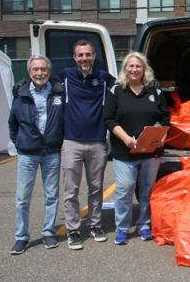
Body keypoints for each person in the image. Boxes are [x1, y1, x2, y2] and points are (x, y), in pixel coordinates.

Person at [104, 52, 170, 245]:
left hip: (151, 152)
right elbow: (109, 119)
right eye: (130, 66)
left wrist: (162, 138)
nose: (134, 70)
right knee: (124, 189)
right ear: (125, 69)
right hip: (124, 152)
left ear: (144, 69)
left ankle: (144, 225)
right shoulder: (116, 91)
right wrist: (125, 138)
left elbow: (165, 118)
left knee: (147, 190)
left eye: (138, 66)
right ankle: (122, 228)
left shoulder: (154, 92)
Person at [55, 40, 116, 250]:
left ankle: (95, 225)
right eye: (80, 55)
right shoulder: (64, 76)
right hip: (71, 142)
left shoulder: (105, 79)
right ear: (74, 58)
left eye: (88, 55)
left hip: (98, 142)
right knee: (71, 189)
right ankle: (73, 230)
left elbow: (129, 86)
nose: (84, 59)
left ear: (94, 56)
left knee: (96, 187)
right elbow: (41, 81)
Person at [8, 55, 65, 254]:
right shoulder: (21, 93)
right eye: (35, 69)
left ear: (49, 71)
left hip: (51, 152)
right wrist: (21, 144)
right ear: (29, 72)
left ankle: (48, 232)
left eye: (43, 69)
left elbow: (65, 120)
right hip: (28, 154)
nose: (39, 73)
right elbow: (12, 124)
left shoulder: (59, 92)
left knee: (51, 196)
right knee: (23, 198)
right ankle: (22, 237)